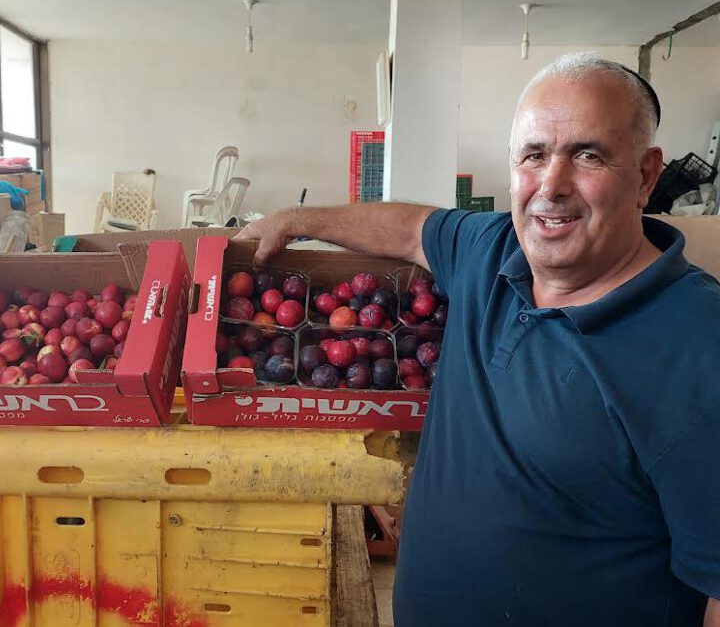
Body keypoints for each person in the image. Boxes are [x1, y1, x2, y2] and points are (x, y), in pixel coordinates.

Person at [235, 52, 720, 626]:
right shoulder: (492, 252)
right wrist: (296, 219)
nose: (552, 185)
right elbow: (413, 228)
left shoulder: (697, 347)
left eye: (588, 155)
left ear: (646, 175)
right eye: (534, 156)